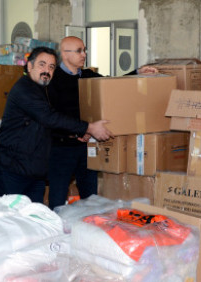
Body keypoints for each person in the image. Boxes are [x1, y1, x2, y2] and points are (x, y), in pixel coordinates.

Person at [0, 46, 112, 204]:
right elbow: (49, 117)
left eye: (51, 67)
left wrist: (77, 133)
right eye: (42, 64)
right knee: (10, 222)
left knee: (34, 221)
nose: (46, 70)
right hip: (11, 171)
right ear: (29, 66)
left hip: (34, 173)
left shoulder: (42, 90)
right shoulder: (24, 90)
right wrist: (89, 127)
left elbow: (51, 124)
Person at [46, 36, 158, 209]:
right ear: (64, 54)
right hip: (61, 148)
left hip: (87, 145)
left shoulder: (89, 76)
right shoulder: (52, 81)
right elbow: (51, 117)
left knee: (91, 197)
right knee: (58, 197)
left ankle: (87, 229)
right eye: (78, 51)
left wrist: (137, 73)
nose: (83, 54)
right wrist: (77, 132)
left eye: (84, 50)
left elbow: (111, 84)